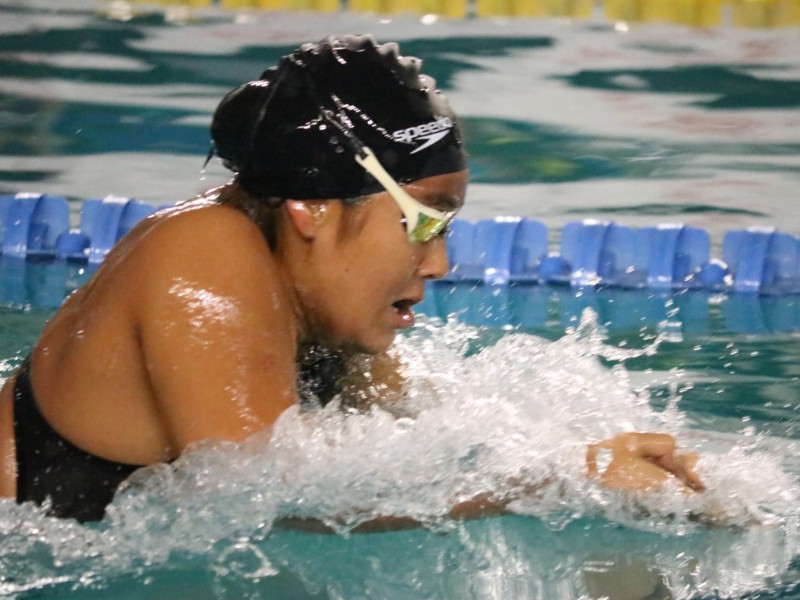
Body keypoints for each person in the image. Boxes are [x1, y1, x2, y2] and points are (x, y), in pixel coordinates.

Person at [0, 35, 703, 524]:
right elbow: (260, 497)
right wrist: (551, 483)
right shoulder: (205, 253)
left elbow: (428, 448)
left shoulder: (320, 307)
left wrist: (639, 476)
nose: (440, 263)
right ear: (313, 208)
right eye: (426, 221)